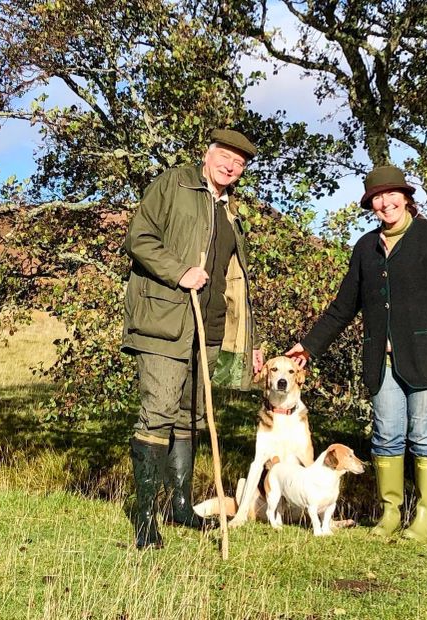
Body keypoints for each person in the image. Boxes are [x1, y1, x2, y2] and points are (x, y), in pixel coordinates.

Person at [286, 165, 427, 543]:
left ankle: (426, 517)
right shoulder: (366, 247)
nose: (385, 203)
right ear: (371, 205)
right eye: (376, 198)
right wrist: (309, 345)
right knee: (386, 436)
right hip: (381, 363)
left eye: (391, 194)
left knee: (425, 435)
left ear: (406, 197)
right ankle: (389, 514)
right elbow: (343, 306)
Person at [121, 129, 265, 549]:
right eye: (225, 157)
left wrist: (249, 339)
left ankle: (181, 507)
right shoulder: (174, 183)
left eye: (239, 164)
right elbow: (139, 239)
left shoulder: (230, 210)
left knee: (191, 417)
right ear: (208, 154)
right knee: (160, 412)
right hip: (165, 322)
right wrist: (179, 270)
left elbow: (233, 280)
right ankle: (145, 521)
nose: (231, 166)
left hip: (211, 328)